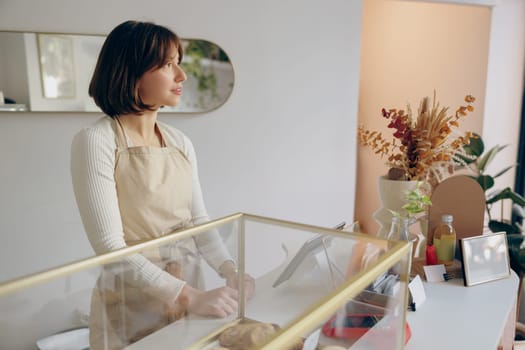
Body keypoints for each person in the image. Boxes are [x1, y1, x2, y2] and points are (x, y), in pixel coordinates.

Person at [70, 20, 254, 350]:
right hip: (129, 303)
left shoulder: (179, 142)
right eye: (169, 65)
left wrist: (232, 270)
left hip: (186, 292)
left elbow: (198, 223)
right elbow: (110, 247)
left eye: (178, 63)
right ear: (132, 71)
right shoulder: (95, 141)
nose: (181, 76)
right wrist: (191, 296)